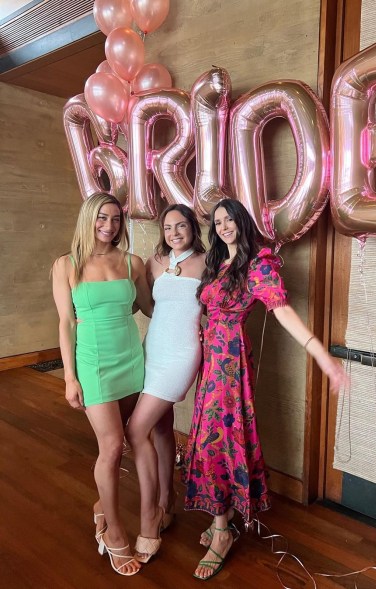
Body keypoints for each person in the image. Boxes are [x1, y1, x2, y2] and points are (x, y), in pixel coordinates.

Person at [183, 198, 349, 580]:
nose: (224, 226)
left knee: (218, 440)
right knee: (210, 438)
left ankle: (222, 530)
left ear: (243, 222)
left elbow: (282, 311)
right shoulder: (217, 263)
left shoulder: (257, 265)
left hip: (230, 364)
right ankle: (219, 514)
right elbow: (207, 309)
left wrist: (323, 357)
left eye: (230, 219)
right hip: (210, 364)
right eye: (219, 221)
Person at [52, 193, 153, 577]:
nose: (108, 226)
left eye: (114, 219)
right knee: (111, 447)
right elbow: (65, 322)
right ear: (88, 219)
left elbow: (145, 306)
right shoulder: (67, 264)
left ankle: (101, 506)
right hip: (93, 363)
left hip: (130, 357)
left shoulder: (132, 262)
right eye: (101, 218)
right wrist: (69, 376)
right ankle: (114, 531)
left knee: (127, 438)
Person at [126, 204, 206, 563]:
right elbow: (143, 304)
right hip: (153, 349)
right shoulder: (153, 261)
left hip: (182, 353)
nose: (174, 232)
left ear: (192, 228)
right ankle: (167, 502)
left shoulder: (208, 261)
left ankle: (151, 519)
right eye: (169, 227)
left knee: (136, 428)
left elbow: (218, 305)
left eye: (182, 226)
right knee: (160, 428)